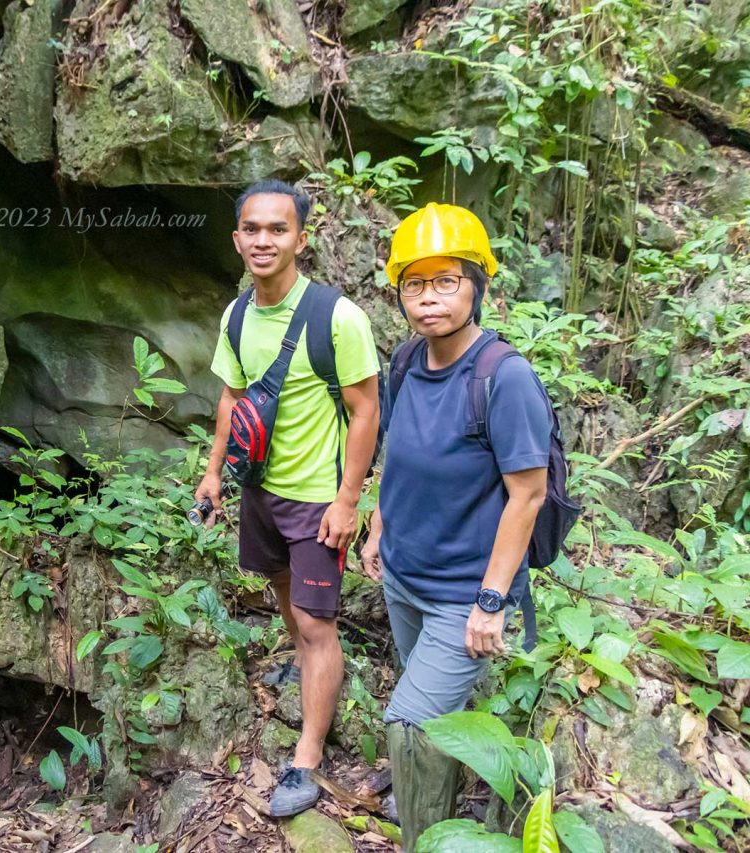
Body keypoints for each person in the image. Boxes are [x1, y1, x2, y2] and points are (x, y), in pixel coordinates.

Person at [359, 203, 552, 849]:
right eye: (415, 283)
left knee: (411, 726)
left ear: (477, 285)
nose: (429, 297)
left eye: (446, 280)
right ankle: (439, 807)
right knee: (435, 723)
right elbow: (399, 451)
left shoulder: (504, 376)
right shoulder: (408, 360)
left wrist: (491, 602)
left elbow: (527, 495)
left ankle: (425, 839)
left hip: (462, 594)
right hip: (405, 577)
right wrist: (379, 525)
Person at [195, 180, 381, 817]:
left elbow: (364, 412)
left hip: (316, 500)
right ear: (237, 238)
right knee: (282, 597)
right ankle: (308, 668)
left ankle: (306, 758)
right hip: (260, 490)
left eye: (278, 229)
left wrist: (348, 500)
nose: (263, 240)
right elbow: (231, 398)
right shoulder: (237, 314)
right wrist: (215, 473)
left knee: (314, 622)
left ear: (302, 238)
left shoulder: (338, 316)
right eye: (252, 229)